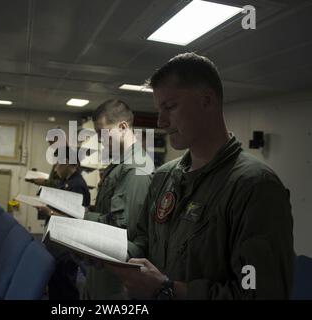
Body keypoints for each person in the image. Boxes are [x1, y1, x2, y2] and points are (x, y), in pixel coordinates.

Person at [108, 52, 294, 299]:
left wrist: (168, 290)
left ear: (206, 100)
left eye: (170, 107)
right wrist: (106, 251)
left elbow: (262, 294)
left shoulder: (255, 186)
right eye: (158, 110)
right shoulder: (164, 177)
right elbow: (144, 242)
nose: (160, 122)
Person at [82, 99, 154, 299]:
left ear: (122, 127)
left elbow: (122, 230)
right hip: (102, 269)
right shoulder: (121, 163)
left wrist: (80, 218)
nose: (99, 139)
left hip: (117, 280)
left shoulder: (136, 168)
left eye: (101, 133)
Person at [37, 147, 90, 300]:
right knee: (56, 284)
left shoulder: (76, 185)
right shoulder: (67, 182)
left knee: (65, 287)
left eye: (57, 163)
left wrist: (49, 212)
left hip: (66, 247)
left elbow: (74, 219)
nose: (55, 168)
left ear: (67, 162)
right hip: (58, 242)